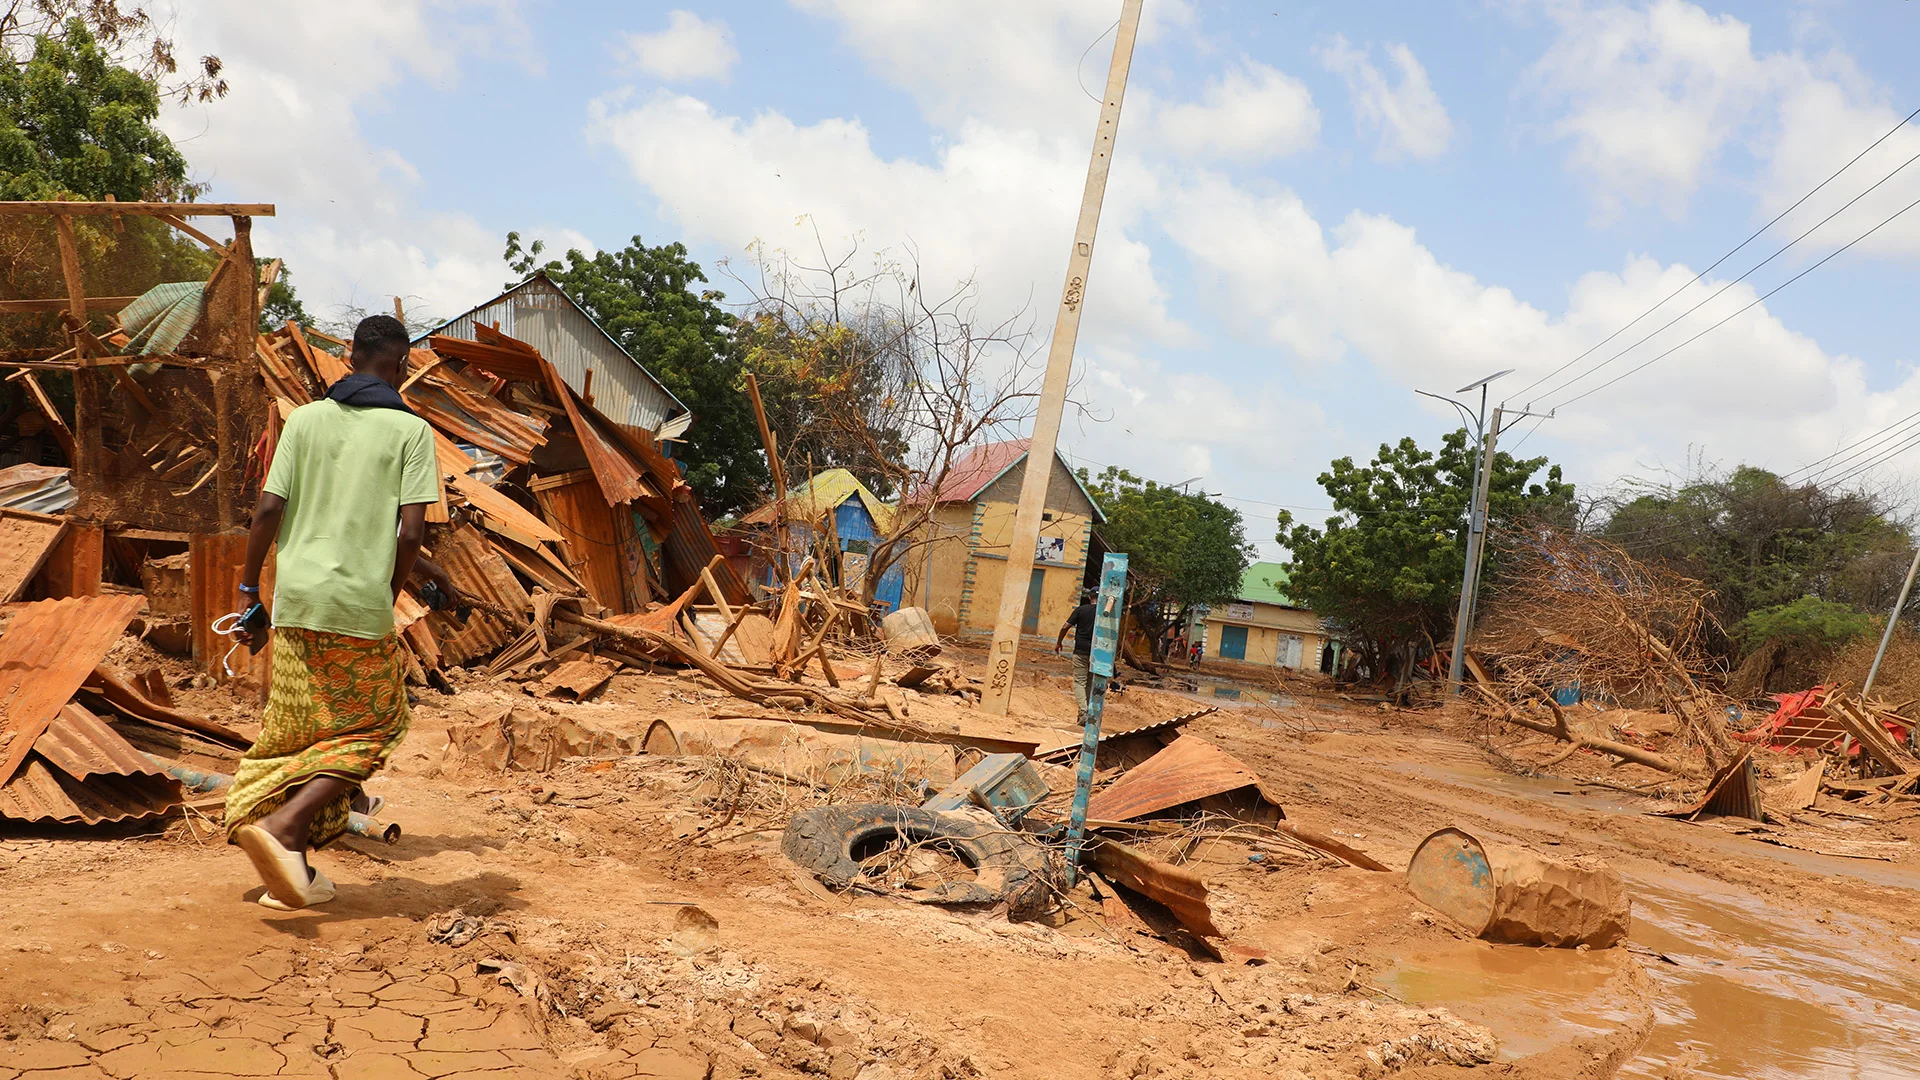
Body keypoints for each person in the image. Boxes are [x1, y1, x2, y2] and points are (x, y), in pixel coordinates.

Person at [225, 315, 451, 910]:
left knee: (307, 729)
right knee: (377, 725)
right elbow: (406, 536)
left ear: (350, 357)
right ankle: (287, 826)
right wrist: (390, 592)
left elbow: (270, 508)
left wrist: (250, 589)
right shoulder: (411, 433)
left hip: (297, 602)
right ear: (400, 364)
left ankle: (292, 871)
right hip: (356, 606)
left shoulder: (303, 419)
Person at [1054, 588, 1097, 715]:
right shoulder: (1103, 613)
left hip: (1080, 651)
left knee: (1080, 682)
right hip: (1096, 653)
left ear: (1090, 597)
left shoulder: (1081, 610)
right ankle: (1087, 713)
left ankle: (1083, 711)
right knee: (1090, 683)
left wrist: (1059, 642)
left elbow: (1065, 627)